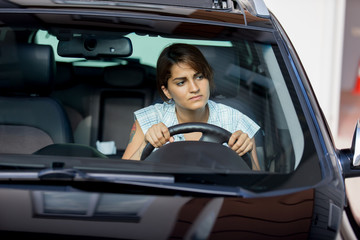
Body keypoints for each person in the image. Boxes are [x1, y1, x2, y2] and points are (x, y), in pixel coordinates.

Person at [122, 43, 260, 170]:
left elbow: (256, 183)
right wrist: (145, 145)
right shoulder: (149, 119)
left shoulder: (236, 121)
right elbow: (122, 176)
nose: (194, 88)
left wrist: (245, 151)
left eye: (199, 77)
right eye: (181, 82)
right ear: (167, 91)